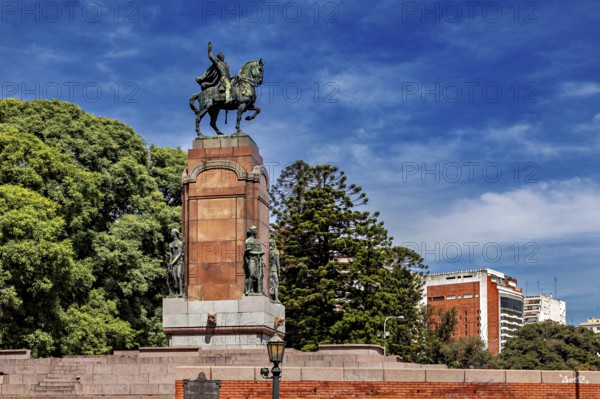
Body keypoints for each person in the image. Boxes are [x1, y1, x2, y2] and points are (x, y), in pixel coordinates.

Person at [244, 226, 264, 295]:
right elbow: (248, 252)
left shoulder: (258, 241)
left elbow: (261, 249)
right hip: (252, 259)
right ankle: (248, 290)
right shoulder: (248, 240)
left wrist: (261, 253)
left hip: (258, 260)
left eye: (256, 229)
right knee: (251, 274)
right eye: (255, 229)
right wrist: (259, 253)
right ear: (252, 231)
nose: (256, 231)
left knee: (259, 276)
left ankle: (260, 290)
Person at [167, 228, 184, 297]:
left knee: (179, 275)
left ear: (175, 233)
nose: (171, 233)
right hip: (173, 261)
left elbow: (179, 254)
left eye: (172, 232)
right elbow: (171, 254)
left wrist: (173, 262)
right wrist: (170, 262)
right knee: (174, 277)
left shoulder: (180, 243)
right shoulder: (170, 244)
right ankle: (176, 292)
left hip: (179, 261)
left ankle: (181, 293)